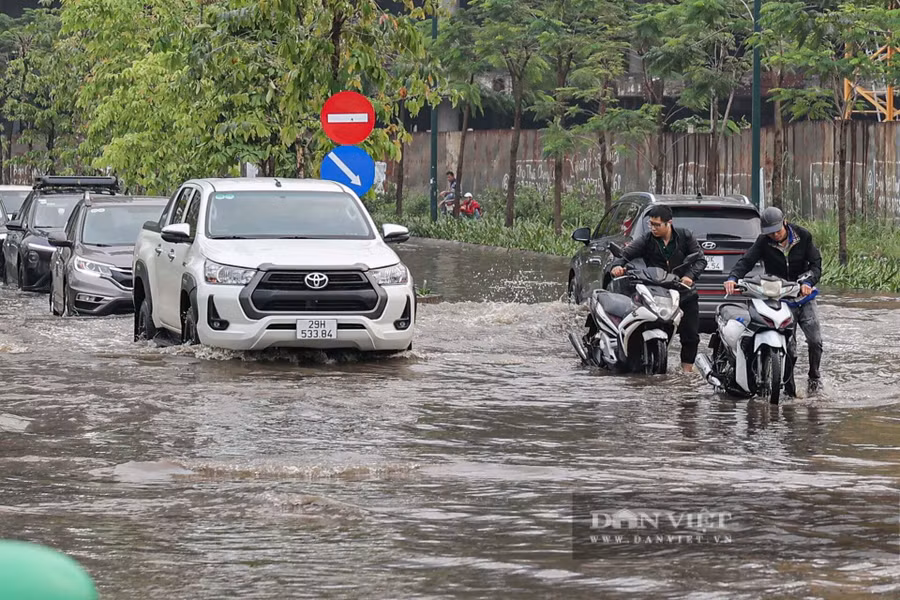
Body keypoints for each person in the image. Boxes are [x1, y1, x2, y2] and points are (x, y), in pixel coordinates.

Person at [724, 206, 824, 395]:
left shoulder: (803, 236)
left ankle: (814, 377)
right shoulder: (763, 242)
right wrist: (733, 278)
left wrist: (809, 281)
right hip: (781, 298)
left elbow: (816, 264)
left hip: (804, 296)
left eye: (777, 231)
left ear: (784, 222)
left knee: (815, 341)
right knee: (790, 347)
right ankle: (789, 387)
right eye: (770, 233)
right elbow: (746, 262)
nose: (775, 236)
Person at [609, 204, 707, 373]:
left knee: (690, 335)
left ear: (669, 223)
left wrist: (690, 276)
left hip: (683, 292)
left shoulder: (685, 236)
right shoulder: (646, 240)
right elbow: (626, 254)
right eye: (651, 224)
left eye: (657, 224)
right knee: (644, 323)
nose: (653, 228)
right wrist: (617, 265)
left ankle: (687, 372)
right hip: (656, 292)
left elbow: (700, 260)